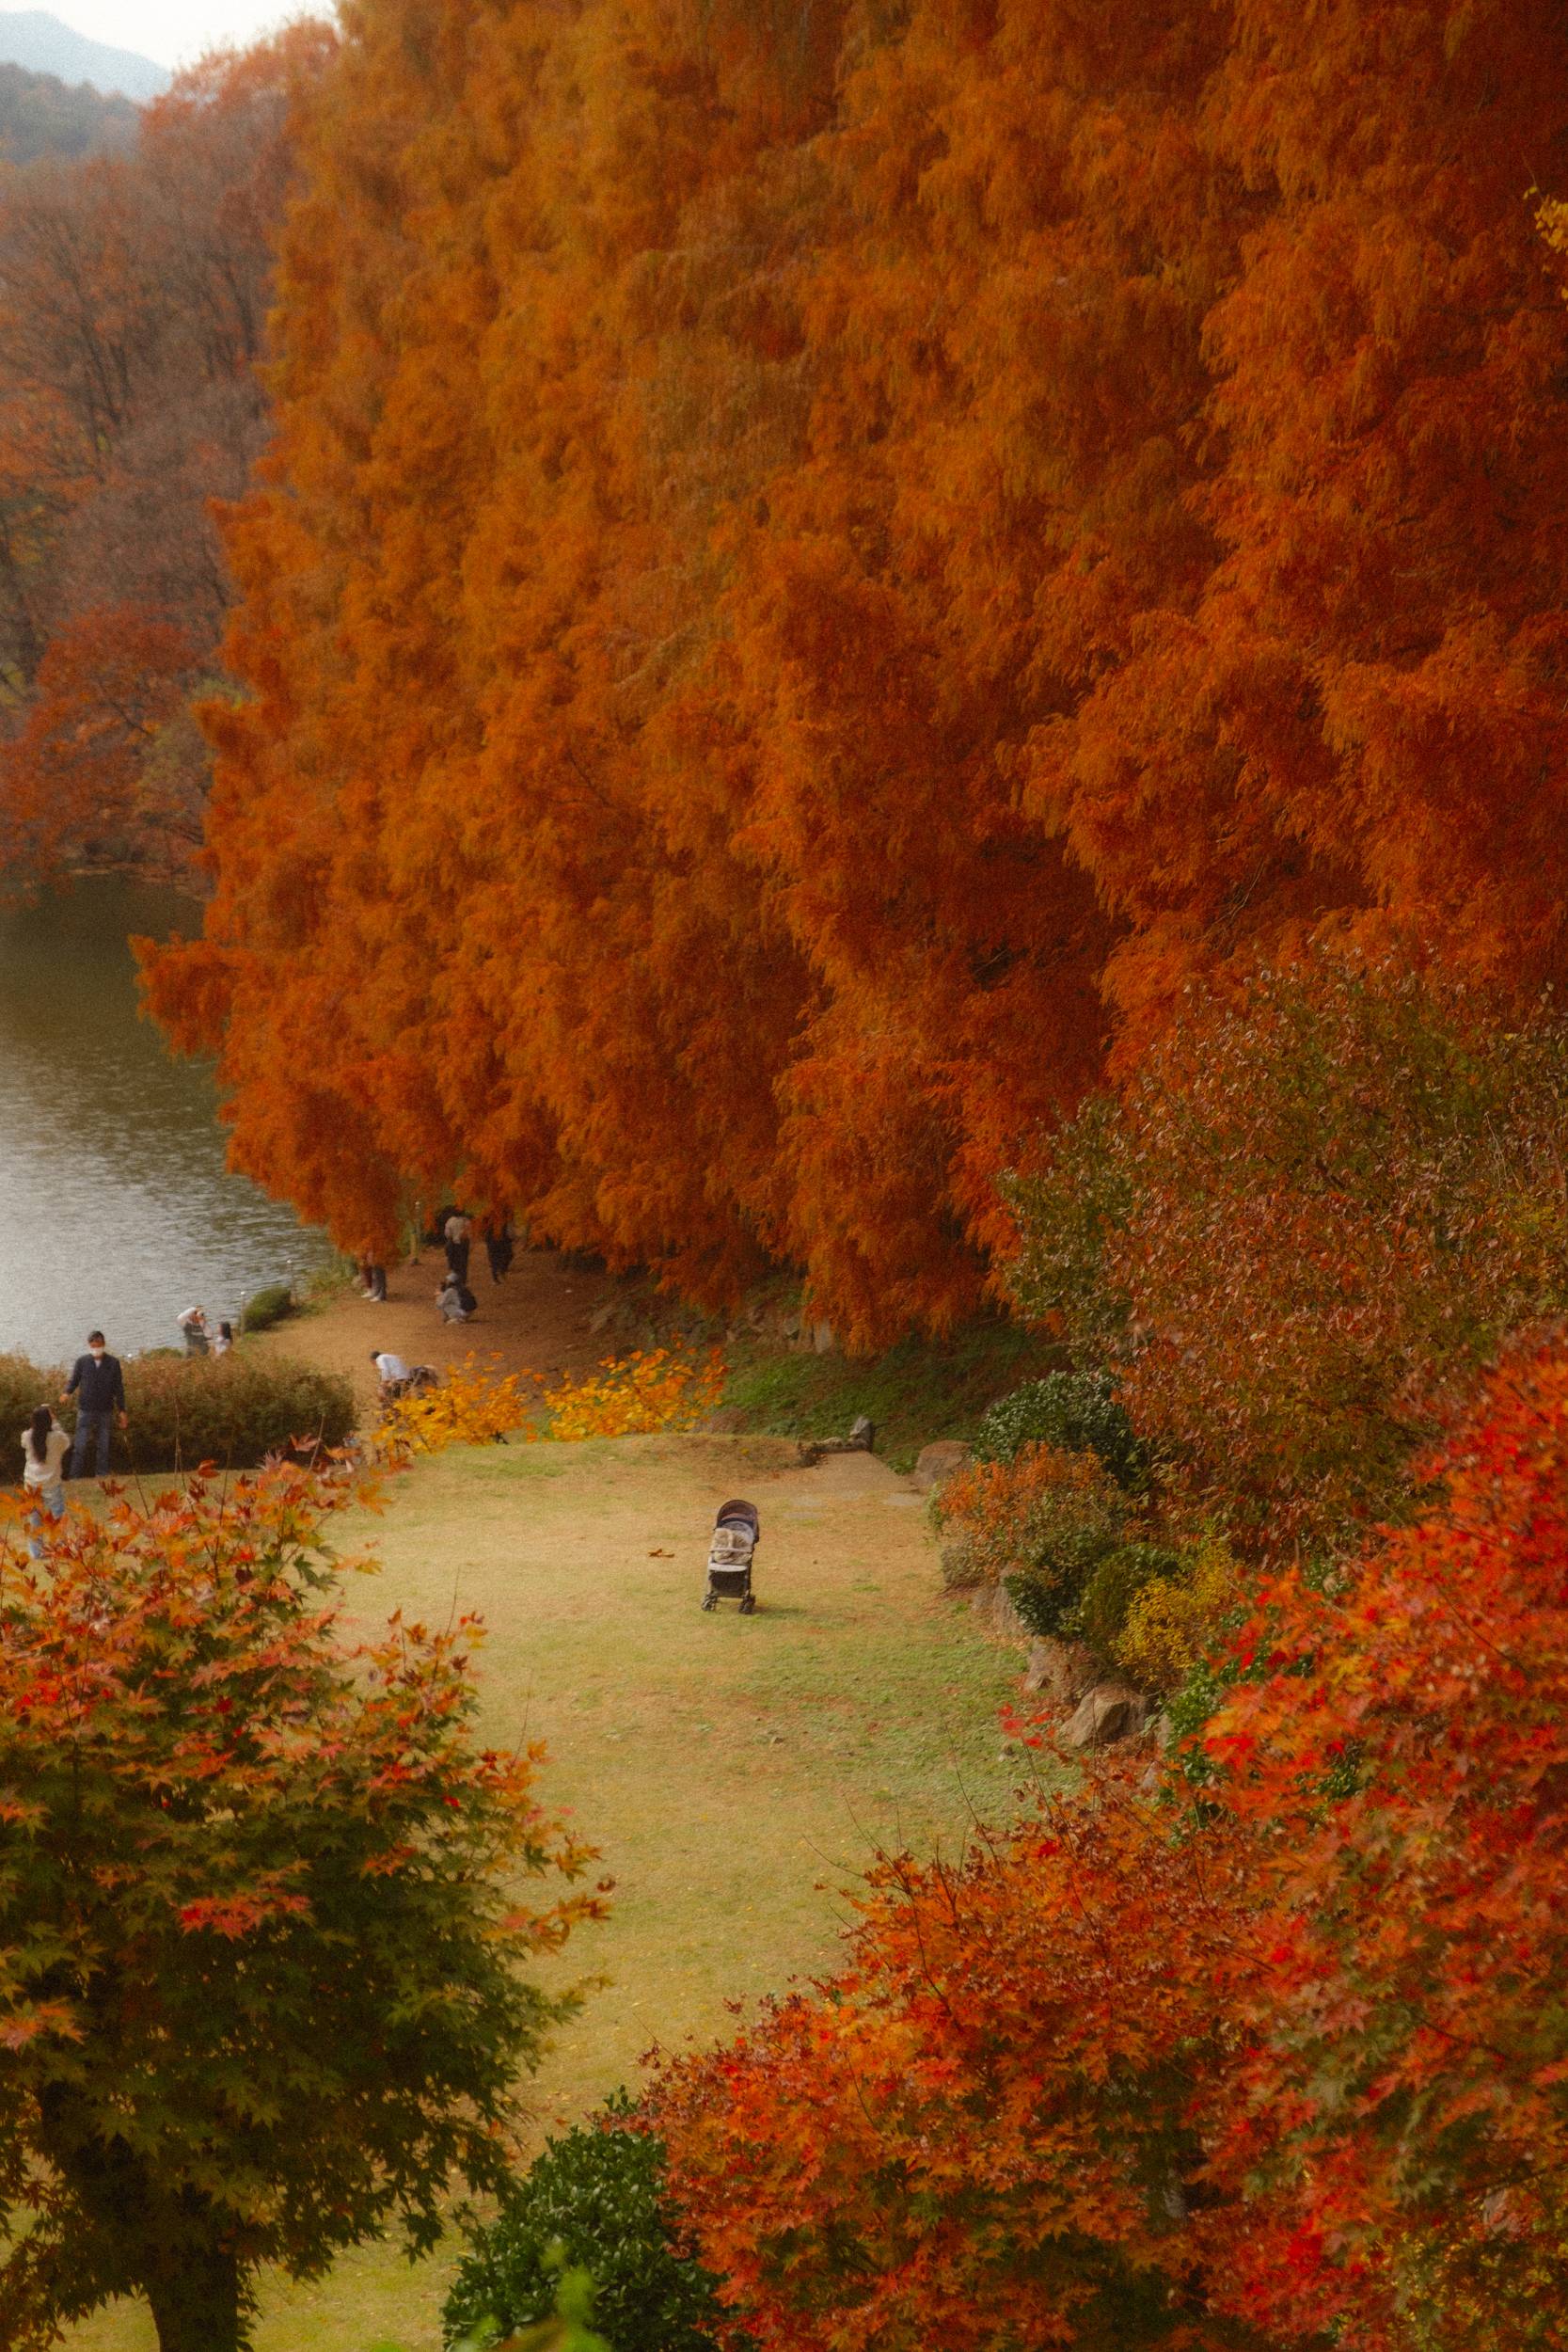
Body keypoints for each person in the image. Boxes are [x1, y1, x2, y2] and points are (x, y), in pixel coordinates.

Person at [60, 1331, 127, 1478]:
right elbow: (74, 1380)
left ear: (103, 1345)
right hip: (85, 1410)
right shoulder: (82, 1362)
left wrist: (122, 1411)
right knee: (80, 1446)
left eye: (98, 1346)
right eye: (92, 1346)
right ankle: (74, 1476)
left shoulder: (113, 1363)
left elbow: (118, 1388)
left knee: (103, 1446)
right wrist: (67, 1392)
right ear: (89, 1346)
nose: (95, 1349)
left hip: (105, 1410)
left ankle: (101, 1475)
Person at [20, 1405, 69, 1559]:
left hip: (31, 1484)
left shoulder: (27, 1436)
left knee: (35, 1518)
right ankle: (61, 1548)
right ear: (50, 1419)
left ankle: (37, 1552)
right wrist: (54, 1422)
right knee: (57, 1517)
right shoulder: (56, 1438)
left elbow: (26, 1439)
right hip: (51, 1484)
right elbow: (66, 1442)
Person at [443, 1209, 472, 1284]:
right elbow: (469, 1233)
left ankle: (455, 1280)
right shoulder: (466, 1221)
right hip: (464, 1244)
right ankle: (463, 1280)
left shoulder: (450, 1221)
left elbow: (447, 1233)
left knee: (455, 1264)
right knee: (464, 1263)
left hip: (454, 1244)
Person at [484, 1218, 515, 1284]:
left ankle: (498, 1274)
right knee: (496, 1260)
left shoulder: (503, 1222)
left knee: (496, 1259)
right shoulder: (501, 1222)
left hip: (497, 1243)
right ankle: (497, 1277)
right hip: (497, 1243)